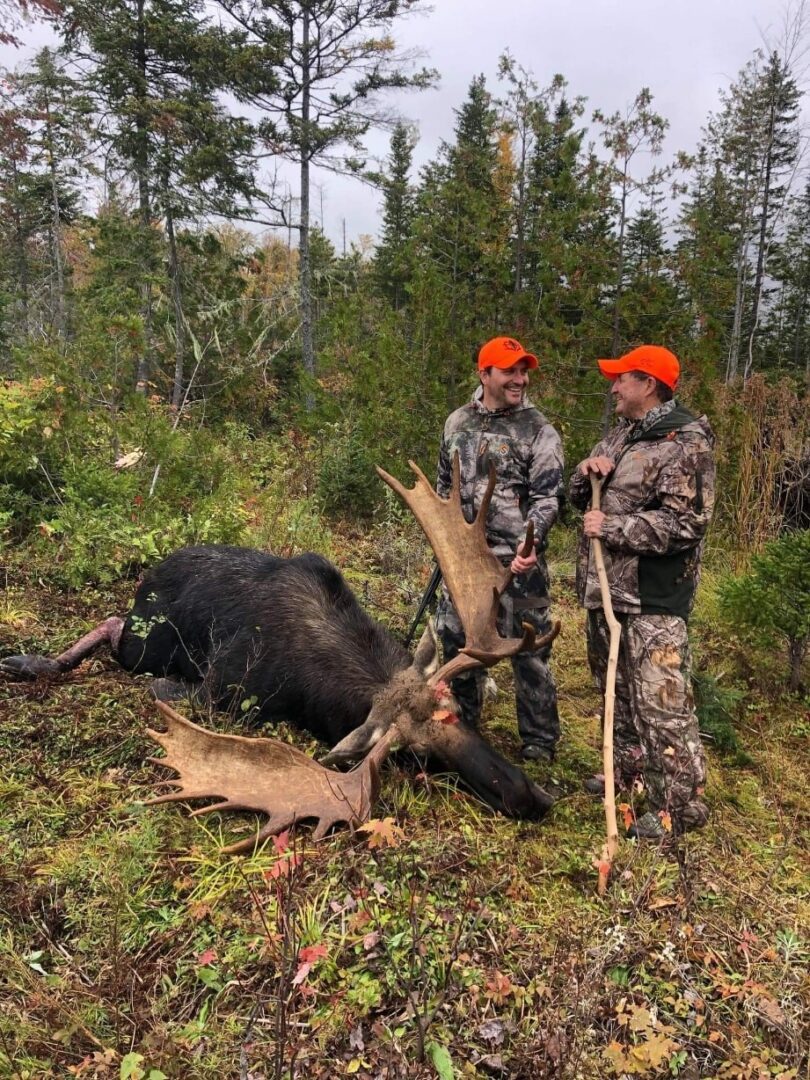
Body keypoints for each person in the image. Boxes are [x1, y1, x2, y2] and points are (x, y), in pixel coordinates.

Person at [568, 344, 715, 840]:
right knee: (619, 696)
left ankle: (680, 805)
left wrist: (612, 526)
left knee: (663, 704)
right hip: (607, 595)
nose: (613, 387)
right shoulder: (622, 435)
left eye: (621, 379)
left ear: (648, 384)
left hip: (653, 600)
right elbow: (579, 497)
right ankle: (627, 773)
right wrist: (587, 471)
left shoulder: (686, 442)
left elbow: (686, 523)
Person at [436, 336, 564, 763]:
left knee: (529, 649)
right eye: (510, 370)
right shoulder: (457, 423)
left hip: (518, 562)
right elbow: (443, 490)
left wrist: (532, 542)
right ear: (484, 374)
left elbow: (548, 498)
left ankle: (539, 741)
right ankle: (464, 729)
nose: (520, 379)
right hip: (465, 564)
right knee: (459, 641)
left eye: (523, 371)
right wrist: (443, 543)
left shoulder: (538, 430)